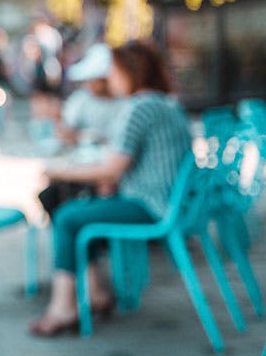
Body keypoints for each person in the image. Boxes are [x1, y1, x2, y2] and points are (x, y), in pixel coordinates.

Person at [29, 40, 192, 336]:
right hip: (170, 201)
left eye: (114, 71)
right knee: (79, 211)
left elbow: (113, 167)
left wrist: (60, 170)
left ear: (132, 72)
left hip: (151, 205)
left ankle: (65, 306)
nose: (110, 78)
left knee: (67, 215)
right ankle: (95, 292)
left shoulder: (141, 106)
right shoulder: (166, 103)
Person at [37, 43, 127, 218]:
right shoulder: (82, 100)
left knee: (105, 185)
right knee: (53, 189)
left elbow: (115, 163)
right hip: (89, 160)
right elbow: (63, 131)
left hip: (111, 169)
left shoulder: (125, 102)